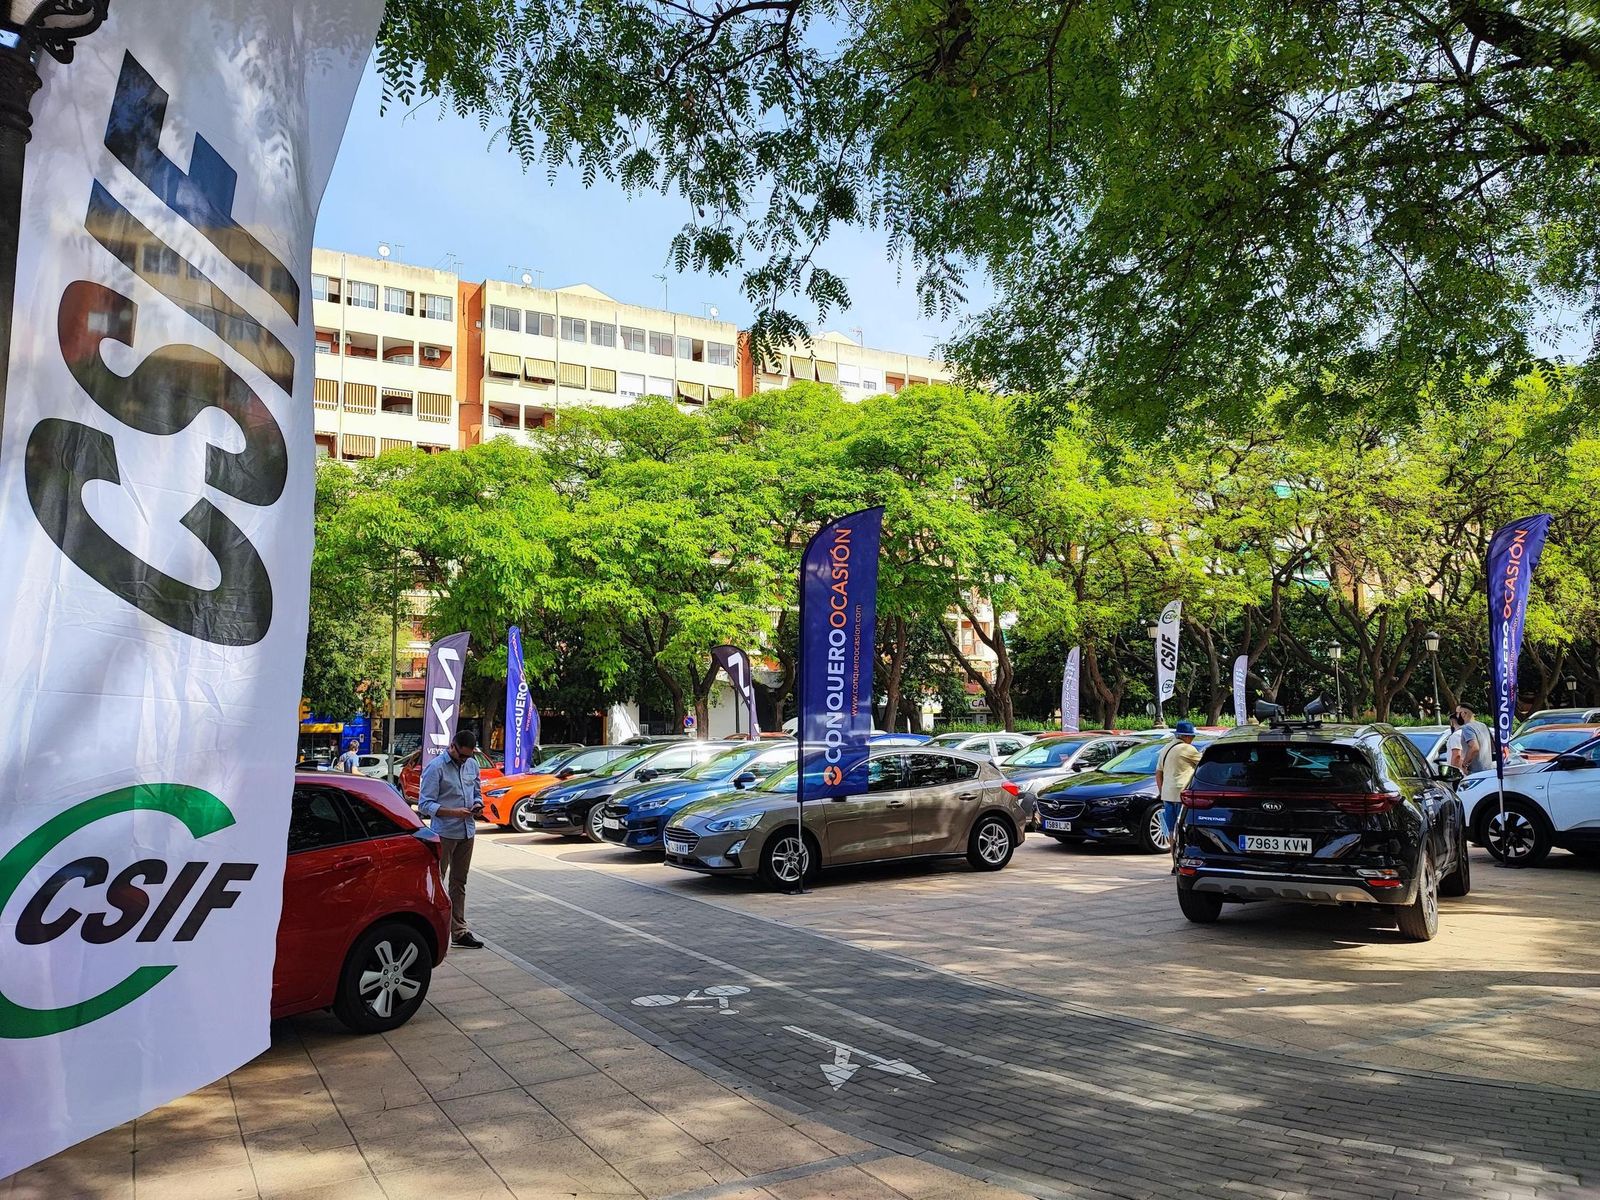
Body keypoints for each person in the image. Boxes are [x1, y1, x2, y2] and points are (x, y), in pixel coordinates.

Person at [417, 729, 485, 948]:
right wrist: (454, 812)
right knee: (438, 881)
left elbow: (476, 791)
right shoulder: (436, 768)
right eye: (462, 755)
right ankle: (434, 930)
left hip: (467, 831)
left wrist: (477, 804)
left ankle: (459, 931)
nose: (465, 759)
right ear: (452, 746)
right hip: (445, 832)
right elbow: (425, 805)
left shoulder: (472, 765)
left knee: (459, 882)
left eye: (469, 756)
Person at [1155, 721, 1203, 850]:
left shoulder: (1166, 748)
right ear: (1186, 736)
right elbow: (1204, 762)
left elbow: (1158, 773)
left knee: (1171, 830)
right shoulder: (1187, 748)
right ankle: (1181, 857)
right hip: (1181, 795)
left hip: (1167, 795)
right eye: (1192, 736)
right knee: (1182, 829)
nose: (1193, 739)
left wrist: (1162, 792)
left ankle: (1174, 861)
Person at [1457, 705, 1495, 774]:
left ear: (1463, 714)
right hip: (1488, 770)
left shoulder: (1467, 728)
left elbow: (1474, 748)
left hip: (1475, 772)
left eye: (1458, 713)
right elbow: (1492, 748)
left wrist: (1464, 765)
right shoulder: (1484, 726)